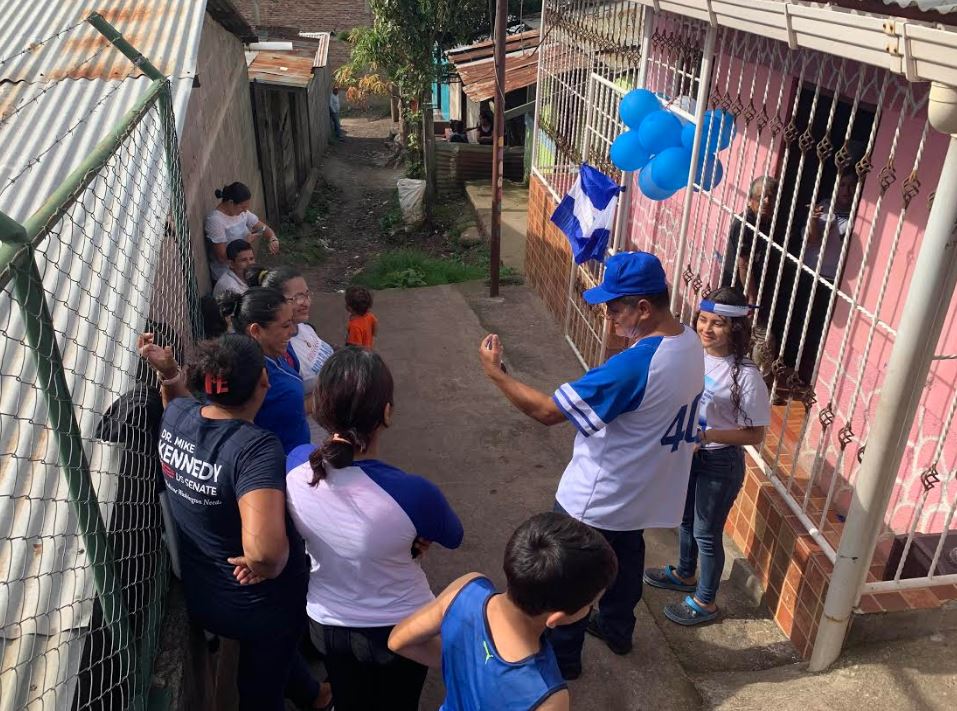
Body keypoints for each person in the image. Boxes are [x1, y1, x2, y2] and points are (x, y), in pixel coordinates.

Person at [478, 251, 705, 680]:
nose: (608, 316)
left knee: (567, 582)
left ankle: (563, 663)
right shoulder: (690, 341)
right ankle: (618, 630)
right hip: (643, 494)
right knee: (625, 562)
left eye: (614, 307)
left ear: (643, 307)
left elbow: (548, 412)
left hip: (596, 500)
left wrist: (496, 375)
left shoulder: (635, 365)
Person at [137, 332, 330, 711]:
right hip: (257, 604)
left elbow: (180, 403)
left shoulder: (177, 415)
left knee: (276, 653)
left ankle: (312, 695)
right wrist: (263, 563)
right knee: (261, 686)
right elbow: (267, 554)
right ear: (263, 381)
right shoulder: (254, 448)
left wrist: (170, 373)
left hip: (202, 590)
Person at [285, 347, 464, 711]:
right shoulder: (414, 492)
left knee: (350, 700)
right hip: (401, 630)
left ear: (320, 408)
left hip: (327, 624)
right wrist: (412, 535)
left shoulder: (294, 465)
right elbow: (453, 535)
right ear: (386, 412)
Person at [388, 512, 617, 711]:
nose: (590, 609)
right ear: (556, 618)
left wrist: (461, 660)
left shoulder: (466, 588)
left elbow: (398, 641)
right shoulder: (547, 696)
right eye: (590, 604)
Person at [643, 287, 770, 625]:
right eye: (703, 320)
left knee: (706, 532)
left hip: (719, 461)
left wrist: (707, 435)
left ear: (736, 329)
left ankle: (706, 601)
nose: (706, 329)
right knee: (684, 519)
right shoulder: (691, 352)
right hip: (688, 454)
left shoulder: (745, 375)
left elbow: (755, 434)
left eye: (719, 324)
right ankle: (685, 573)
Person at [219, 288, 310, 454]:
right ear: (256, 331)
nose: (292, 331)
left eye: (291, 322)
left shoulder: (272, 350)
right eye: (285, 325)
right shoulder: (247, 375)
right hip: (277, 465)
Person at [249, 266, 334, 396]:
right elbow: (286, 404)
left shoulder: (305, 327)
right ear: (277, 302)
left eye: (307, 294)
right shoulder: (280, 349)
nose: (306, 303)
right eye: (298, 297)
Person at [206, 182, 279, 281]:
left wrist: (273, 238)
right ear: (231, 203)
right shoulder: (215, 221)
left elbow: (263, 228)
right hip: (227, 274)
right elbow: (222, 258)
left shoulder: (241, 214)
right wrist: (245, 243)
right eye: (243, 207)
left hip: (244, 268)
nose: (245, 211)